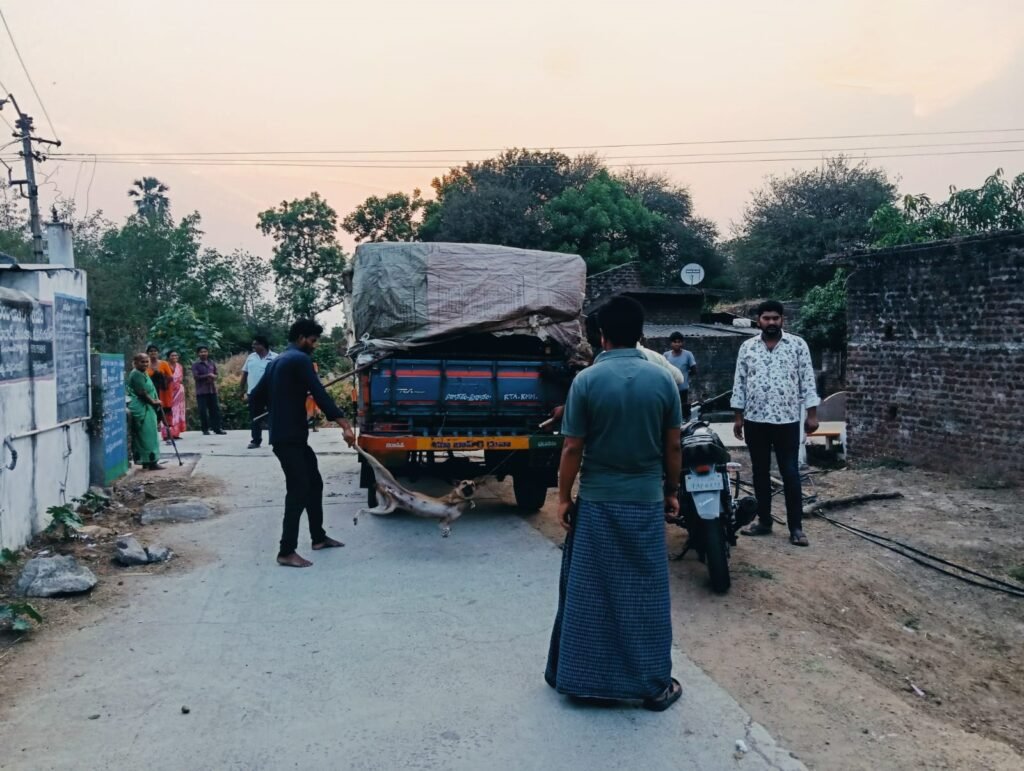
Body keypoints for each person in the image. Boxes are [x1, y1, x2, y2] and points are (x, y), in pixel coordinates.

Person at [545, 296, 683, 711]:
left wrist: (564, 498)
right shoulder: (663, 382)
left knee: (590, 593)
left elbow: (572, 448)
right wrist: (671, 490)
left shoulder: (585, 382)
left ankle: (577, 678)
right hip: (643, 502)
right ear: (641, 335)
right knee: (645, 597)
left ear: (600, 336)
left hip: (598, 502)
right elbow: (673, 445)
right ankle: (651, 685)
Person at [250, 319, 356, 568]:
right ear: (301, 337)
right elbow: (319, 393)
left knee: (314, 483)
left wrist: (271, 417)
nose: (315, 345)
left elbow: (255, 397)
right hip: (289, 438)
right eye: (313, 340)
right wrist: (345, 425)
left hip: (289, 436)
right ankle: (286, 551)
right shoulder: (299, 359)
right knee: (298, 490)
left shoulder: (277, 361)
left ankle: (318, 537)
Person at [731, 300, 819, 547]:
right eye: (766, 318)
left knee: (789, 472)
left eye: (775, 318)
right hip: (755, 419)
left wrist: (812, 414)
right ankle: (764, 521)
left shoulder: (797, 345)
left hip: (787, 420)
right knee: (759, 473)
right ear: (758, 320)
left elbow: (807, 381)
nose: (771, 322)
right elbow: (740, 382)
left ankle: (796, 528)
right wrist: (738, 417)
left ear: (782, 320)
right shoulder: (747, 348)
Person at [126, 353, 164, 470]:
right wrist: (153, 402)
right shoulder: (136, 374)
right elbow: (141, 392)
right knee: (148, 435)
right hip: (142, 407)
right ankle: (151, 461)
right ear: (135, 362)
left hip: (148, 406)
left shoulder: (143, 372)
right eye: (142, 362)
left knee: (149, 434)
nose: (145, 364)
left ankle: (147, 460)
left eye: (147, 362)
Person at [240, 335, 277, 449]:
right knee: (255, 417)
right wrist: (241, 390)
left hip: (271, 392)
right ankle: (256, 440)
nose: (253, 346)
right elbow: (245, 374)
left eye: (255, 344)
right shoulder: (251, 357)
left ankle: (275, 440)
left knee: (274, 416)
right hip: (254, 393)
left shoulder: (275, 357)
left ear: (263, 345)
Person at [191, 345, 226, 436]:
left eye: (205, 351)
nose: (203, 353)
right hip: (201, 391)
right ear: (198, 353)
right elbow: (196, 377)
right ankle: (205, 429)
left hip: (212, 390)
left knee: (215, 410)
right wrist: (208, 375)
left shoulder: (211, 363)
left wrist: (214, 376)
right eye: (201, 352)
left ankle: (217, 428)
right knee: (203, 411)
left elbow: (216, 374)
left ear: (208, 352)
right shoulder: (196, 364)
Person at [664, 332, 697, 420]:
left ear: (682, 343)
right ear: (671, 343)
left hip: (683, 388)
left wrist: (685, 376)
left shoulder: (688, 355)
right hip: (670, 388)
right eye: (675, 342)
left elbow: (694, 370)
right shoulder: (666, 355)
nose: (677, 344)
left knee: (684, 410)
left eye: (679, 342)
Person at [146, 345, 175, 441]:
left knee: (165, 414)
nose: (153, 353)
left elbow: (170, 377)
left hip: (164, 392)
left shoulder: (164, 363)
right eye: (151, 351)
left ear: (158, 353)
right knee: (153, 414)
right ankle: (153, 436)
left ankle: (169, 435)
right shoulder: (146, 364)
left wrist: (161, 377)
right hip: (151, 393)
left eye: (155, 351)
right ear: (148, 353)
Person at [166, 350, 187, 439]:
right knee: (169, 411)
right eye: (172, 356)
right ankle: (167, 433)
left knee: (177, 412)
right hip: (168, 391)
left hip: (178, 392)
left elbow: (180, 379)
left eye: (176, 356)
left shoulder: (179, 366)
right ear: (168, 357)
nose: (174, 357)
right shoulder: (165, 366)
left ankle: (175, 433)